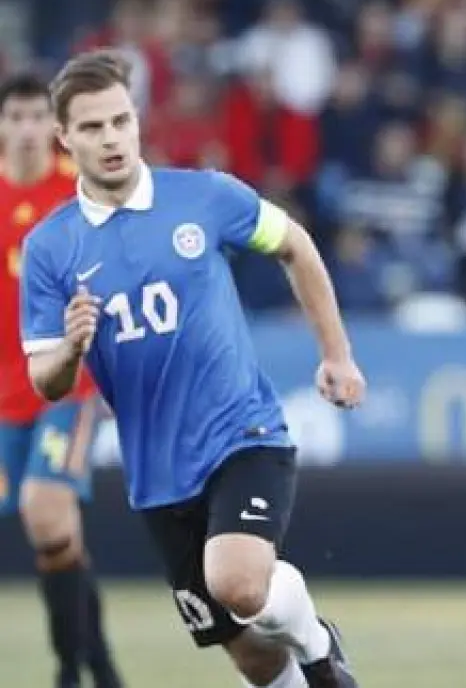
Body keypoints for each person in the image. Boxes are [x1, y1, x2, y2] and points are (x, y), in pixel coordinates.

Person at [20, 50, 364, 688]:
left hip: (242, 434)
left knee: (238, 582)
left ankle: (319, 645)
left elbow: (294, 243)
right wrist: (70, 348)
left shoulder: (203, 196)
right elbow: (46, 378)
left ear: (136, 119)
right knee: (252, 657)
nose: (111, 138)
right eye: (92, 127)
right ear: (65, 137)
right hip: (157, 472)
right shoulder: (50, 247)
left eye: (121, 121)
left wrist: (337, 354)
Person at [0, 72, 122, 688]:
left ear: (52, 128)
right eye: (14, 117)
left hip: (66, 386)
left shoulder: (75, 192)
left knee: (44, 512)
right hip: (3, 399)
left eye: (35, 118)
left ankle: (67, 672)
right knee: (59, 539)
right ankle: (98, 667)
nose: (26, 130)